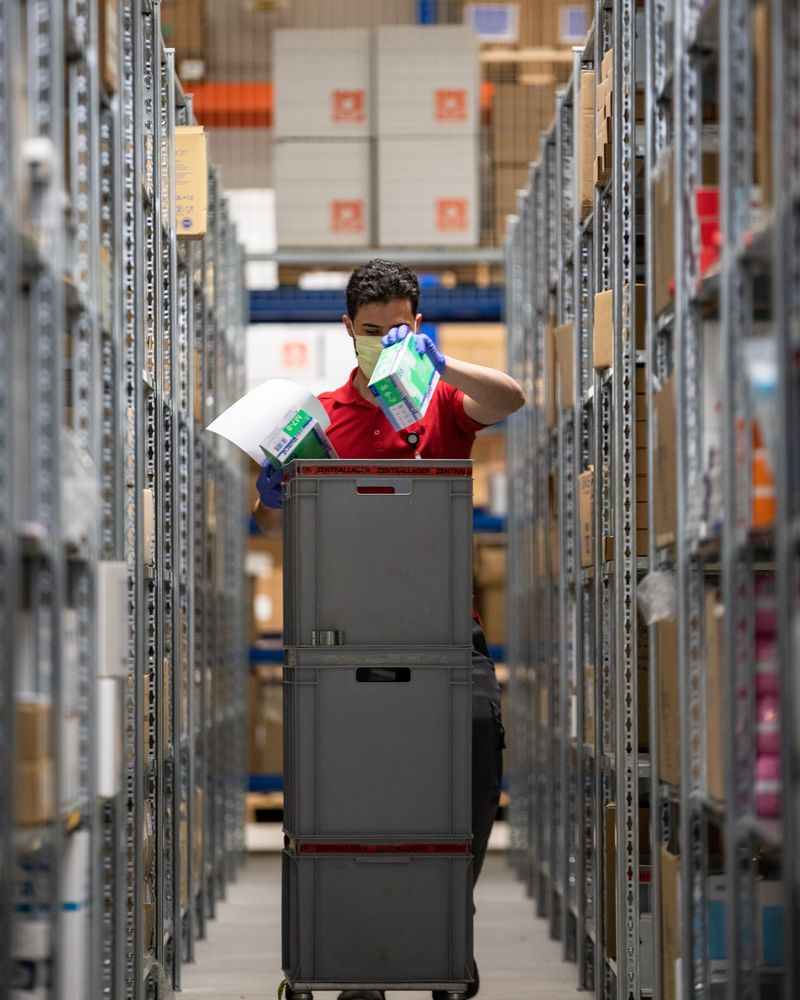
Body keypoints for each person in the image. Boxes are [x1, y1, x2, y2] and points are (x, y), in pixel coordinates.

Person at [254, 259, 525, 1000]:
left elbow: (511, 397)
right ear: (348, 328)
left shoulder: (441, 403)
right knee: (351, 789)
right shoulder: (319, 416)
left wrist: (439, 361)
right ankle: (361, 954)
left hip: (445, 627)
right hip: (345, 631)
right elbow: (271, 525)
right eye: (370, 330)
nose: (382, 341)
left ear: (418, 326)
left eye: (398, 329)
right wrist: (273, 496)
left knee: (476, 754)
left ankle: (444, 915)